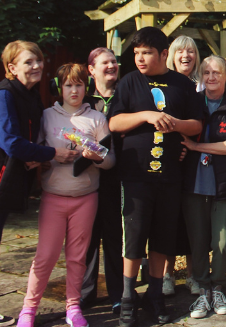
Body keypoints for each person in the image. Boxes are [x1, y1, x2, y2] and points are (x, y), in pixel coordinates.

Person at [0, 41, 78, 327]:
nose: (36, 66)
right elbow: (11, 142)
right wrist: (52, 153)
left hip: (2, 183)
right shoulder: (3, 96)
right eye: (28, 62)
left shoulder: (29, 94)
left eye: (37, 60)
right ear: (11, 68)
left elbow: (28, 137)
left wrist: (35, 156)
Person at [108, 27, 202, 327]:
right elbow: (114, 122)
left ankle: (155, 294)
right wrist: (147, 115)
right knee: (134, 239)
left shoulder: (182, 85)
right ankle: (127, 298)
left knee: (162, 238)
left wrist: (175, 124)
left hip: (170, 176)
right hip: (136, 176)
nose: (140, 59)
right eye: (136, 53)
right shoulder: (129, 83)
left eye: (146, 53)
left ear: (164, 54)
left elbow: (197, 125)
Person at [17, 64, 116, 327]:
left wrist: (96, 157)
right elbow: (33, 152)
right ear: (59, 88)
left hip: (86, 198)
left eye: (79, 85)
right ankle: (28, 309)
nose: (74, 90)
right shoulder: (47, 116)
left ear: (87, 87)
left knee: (77, 256)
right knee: (46, 255)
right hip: (53, 197)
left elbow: (110, 161)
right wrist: (45, 158)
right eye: (68, 85)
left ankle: (73, 307)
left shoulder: (97, 118)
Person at [180, 56, 226, 318]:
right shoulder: (192, 103)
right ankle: (203, 291)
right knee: (197, 241)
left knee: (222, 241)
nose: (210, 77)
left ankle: (217, 286)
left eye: (216, 72)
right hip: (194, 183)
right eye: (205, 72)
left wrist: (196, 147)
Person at [80, 48, 124, 314]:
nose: (112, 66)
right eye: (105, 62)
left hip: (119, 177)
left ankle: (118, 293)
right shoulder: (83, 100)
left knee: (115, 237)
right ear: (91, 69)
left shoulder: (126, 97)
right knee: (87, 237)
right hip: (87, 179)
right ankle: (86, 293)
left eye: (114, 62)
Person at [162, 35, 201, 296]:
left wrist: (189, 147)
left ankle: (192, 274)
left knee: (191, 220)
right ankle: (166, 273)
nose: (185, 56)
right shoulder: (162, 84)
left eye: (190, 51)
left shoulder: (202, 85)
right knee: (167, 218)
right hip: (166, 161)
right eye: (180, 52)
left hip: (195, 161)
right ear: (171, 55)